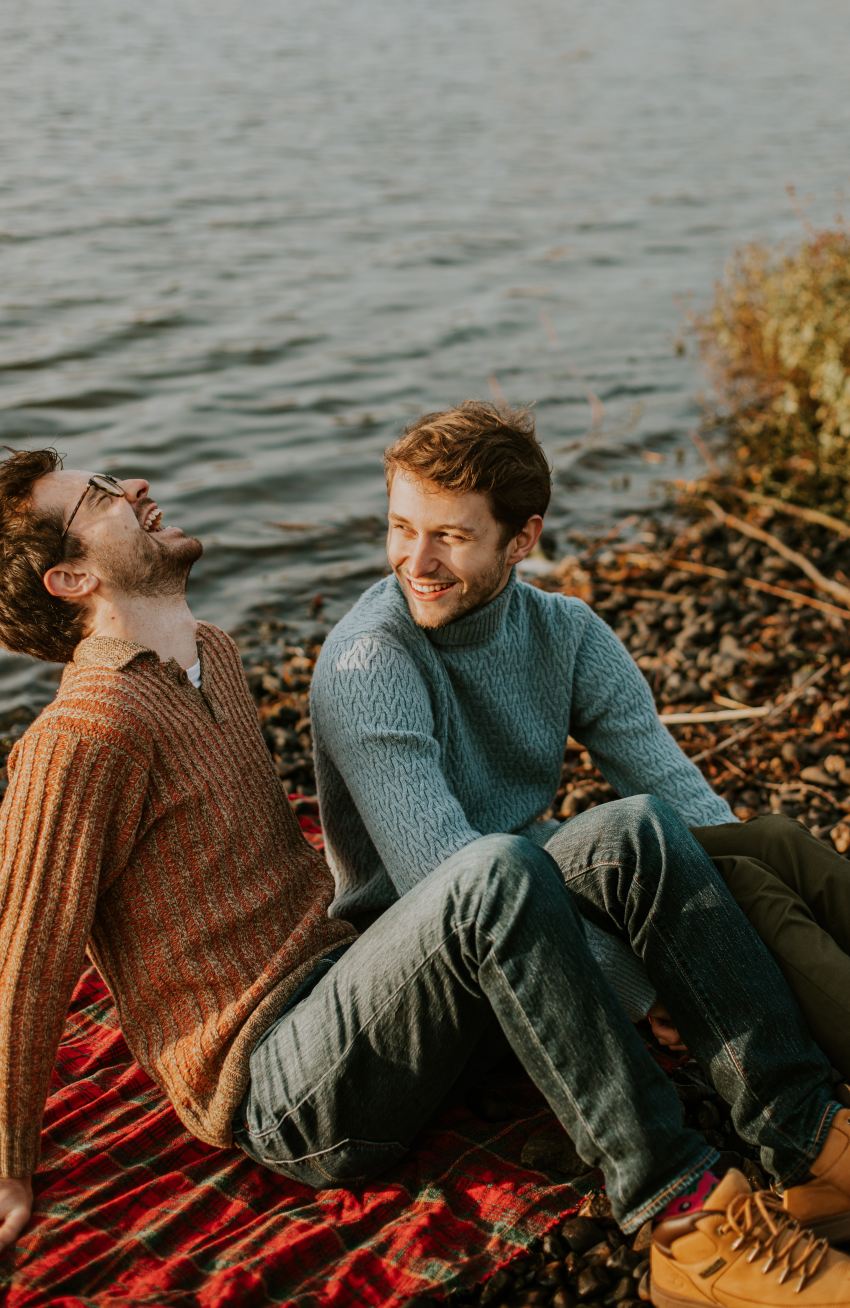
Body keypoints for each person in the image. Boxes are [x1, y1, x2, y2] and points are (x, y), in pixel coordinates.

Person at [4, 453, 850, 1308]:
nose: (135, 487)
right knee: (491, 871)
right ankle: (682, 1222)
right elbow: (22, 954)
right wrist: (5, 1166)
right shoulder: (81, 736)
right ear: (70, 577)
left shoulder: (210, 655)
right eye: (101, 496)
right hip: (281, 1085)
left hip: (357, 988)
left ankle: (808, 1136)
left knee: (632, 830)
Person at [310, 400, 850, 1077]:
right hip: (431, 945)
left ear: (522, 539)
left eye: (450, 536)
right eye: (401, 529)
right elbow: (446, 883)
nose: (418, 562)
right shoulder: (371, 661)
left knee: (767, 853)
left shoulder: (566, 632)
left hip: (530, 871)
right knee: (741, 893)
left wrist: (727, 901)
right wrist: (641, 990)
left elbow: (672, 787)